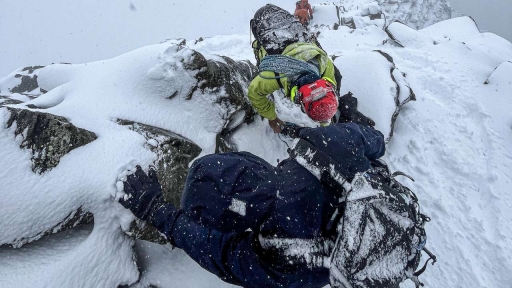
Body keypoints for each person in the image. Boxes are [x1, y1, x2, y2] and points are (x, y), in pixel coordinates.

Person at [118, 110, 386, 287]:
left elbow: (213, 249)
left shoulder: (279, 258)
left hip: (342, 264)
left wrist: (155, 210)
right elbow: (376, 142)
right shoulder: (325, 144)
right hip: (388, 209)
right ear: (252, 161)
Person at [249, 4, 340, 134]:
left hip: (282, 18)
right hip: (262, 20)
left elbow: (322, 98)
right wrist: (272, 117)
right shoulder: (275, 74)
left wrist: (325, 120)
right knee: (261, 48)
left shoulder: (323, 62)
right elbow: (254, 92)